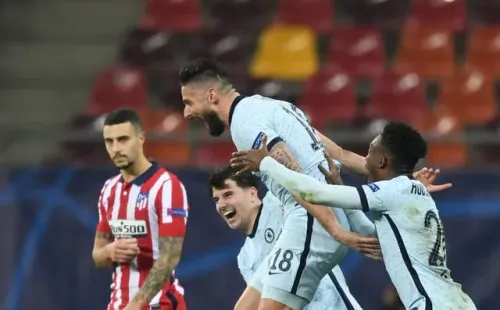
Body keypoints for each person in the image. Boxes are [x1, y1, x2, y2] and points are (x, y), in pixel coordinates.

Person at [180, 58, 449, 310]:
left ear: (212, 95)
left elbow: (295, 175)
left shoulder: (244, 124)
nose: (186, 113)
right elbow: (340, 155)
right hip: (318, 218)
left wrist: (334, 229)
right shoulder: (276, 106)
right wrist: (405, 181)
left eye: (189, 102)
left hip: (312, 220)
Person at [230, 122, 477, 310]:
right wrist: (339, 184)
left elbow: (314, 193)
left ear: (382, 160)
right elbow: (375, 239)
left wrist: (266, 164)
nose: (364, 158)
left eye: (370, 151)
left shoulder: (394, 191)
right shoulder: (414, 194)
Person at [209, 165, 376, 309]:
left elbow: (309, 189)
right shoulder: (245, 258)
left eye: (228, 194)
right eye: (216, 199)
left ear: (252, 194)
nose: (221, 205)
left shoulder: (279, 200)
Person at [91, 108, 189, 310]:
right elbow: (97, 255)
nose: (116, 148)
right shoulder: (109, 190)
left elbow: (170, 256)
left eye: (123, 139)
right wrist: (110, 250)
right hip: (118, 303)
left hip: (159, 304)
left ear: (141, 138)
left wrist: (135, 305)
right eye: (109, 141)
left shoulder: (167, 186)